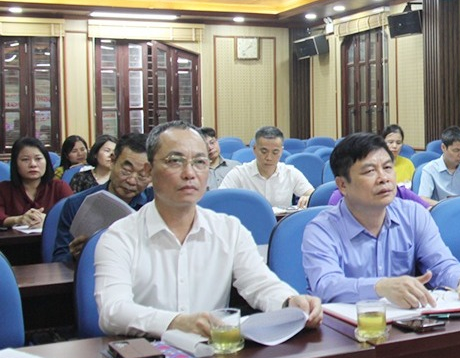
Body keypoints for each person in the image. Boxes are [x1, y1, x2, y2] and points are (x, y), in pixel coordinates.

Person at [94, 121, 322, 337]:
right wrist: (175, 322)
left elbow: (260, 284)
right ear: (149, 170)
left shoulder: (229, 230)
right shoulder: (120, 236)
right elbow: (113, 311)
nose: (189, 173)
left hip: (213, 351)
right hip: (146, 354)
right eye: (175, 161)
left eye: (200, 162)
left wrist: (290, 302)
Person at [303, 132, 460, 309]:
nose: (383, 178)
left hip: (406, 323)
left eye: (387, 168)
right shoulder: (321, 229)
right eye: (369, 171)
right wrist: (380, 287)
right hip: (346, 328)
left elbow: (440, 263)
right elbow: (325, 285)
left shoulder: (413, 215)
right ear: (343, 185)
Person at [53, 133, 154, 265]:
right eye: (126, 171)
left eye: (142, 176)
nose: (132, 181)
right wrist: (75, 256)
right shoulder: (77, 204)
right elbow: (59, 261)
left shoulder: (156, 205)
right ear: (112, 161)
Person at [219, 126, 314, 208]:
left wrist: (308, 197)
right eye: (264, 152)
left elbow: (312, 195)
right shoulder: (239, 174)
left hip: (281, 222)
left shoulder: (290, 172)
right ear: (255, 149)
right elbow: (220, 199)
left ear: (281, 151)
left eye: (275, 152)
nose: (269, 158)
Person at [0, 137, 73, 228]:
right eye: (25, 159)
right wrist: (18, 220)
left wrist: (48, 220)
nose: (33, 164)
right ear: (15, 163)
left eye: (38, 159)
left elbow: (73, 216)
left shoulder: (59, 187)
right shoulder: (4, 189)